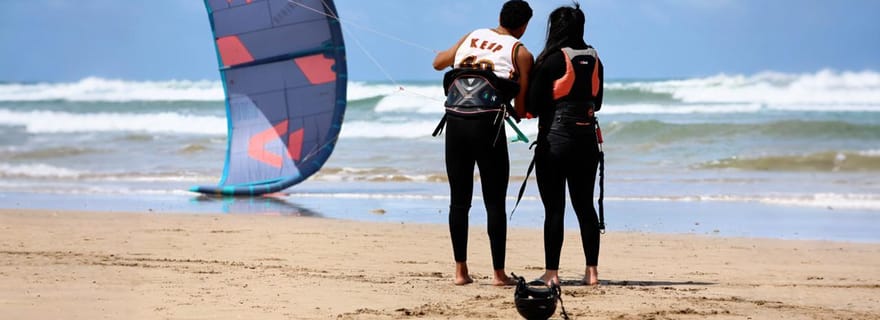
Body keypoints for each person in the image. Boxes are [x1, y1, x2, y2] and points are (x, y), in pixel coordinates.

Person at [432, 0, 534, 286]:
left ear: (500, 17)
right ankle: (499, 274)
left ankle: (460, 272)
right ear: (524, 26)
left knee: (459, 201)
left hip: (455, 125)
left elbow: (438, 63)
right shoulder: (520, 52)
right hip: (487, 128)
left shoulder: (472, 35)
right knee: (494, 202)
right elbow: (523, 106)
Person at [526, 3, 604, 286]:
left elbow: (533, 106)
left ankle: (552, 274)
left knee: (555, 209)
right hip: (587, 141)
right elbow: (598, 102)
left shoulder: (550, 60)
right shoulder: (595, 58)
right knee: (585, 206)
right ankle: (592, 272)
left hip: (555, 140)